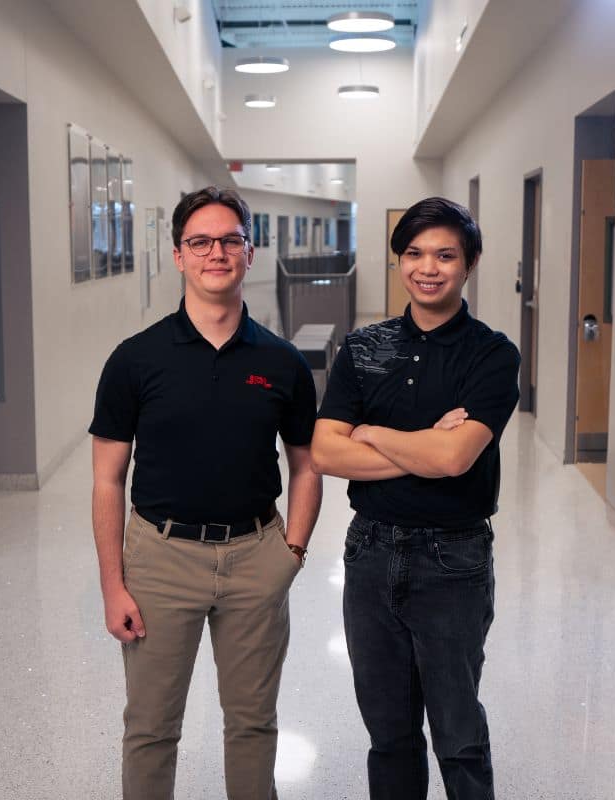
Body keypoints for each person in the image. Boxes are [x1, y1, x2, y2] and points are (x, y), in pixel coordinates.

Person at [89, 186, 322, 800]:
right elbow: (107, 478)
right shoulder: (135, 361)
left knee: (252, 725)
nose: (215, 252)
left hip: (255, 558)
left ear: (250, 251)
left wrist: (291, 553)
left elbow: (306, 466)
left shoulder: (282, 363)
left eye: (229, 240)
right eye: (200, 241)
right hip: (159, 562)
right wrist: (113, 585)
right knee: (150, 729)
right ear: (178, 255)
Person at [311, 196, 520, 799]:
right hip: (370, 554)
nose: (428, 267)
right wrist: (421, 443)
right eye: (414, 253)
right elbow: (325, 452)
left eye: (445, 255)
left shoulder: (492, 354)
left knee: (458, 735)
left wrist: (371, 432)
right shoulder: (363, 347)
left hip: (453, 560)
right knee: (390, 734)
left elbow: (455, 460)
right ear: (399, 259)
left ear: (469, 263)